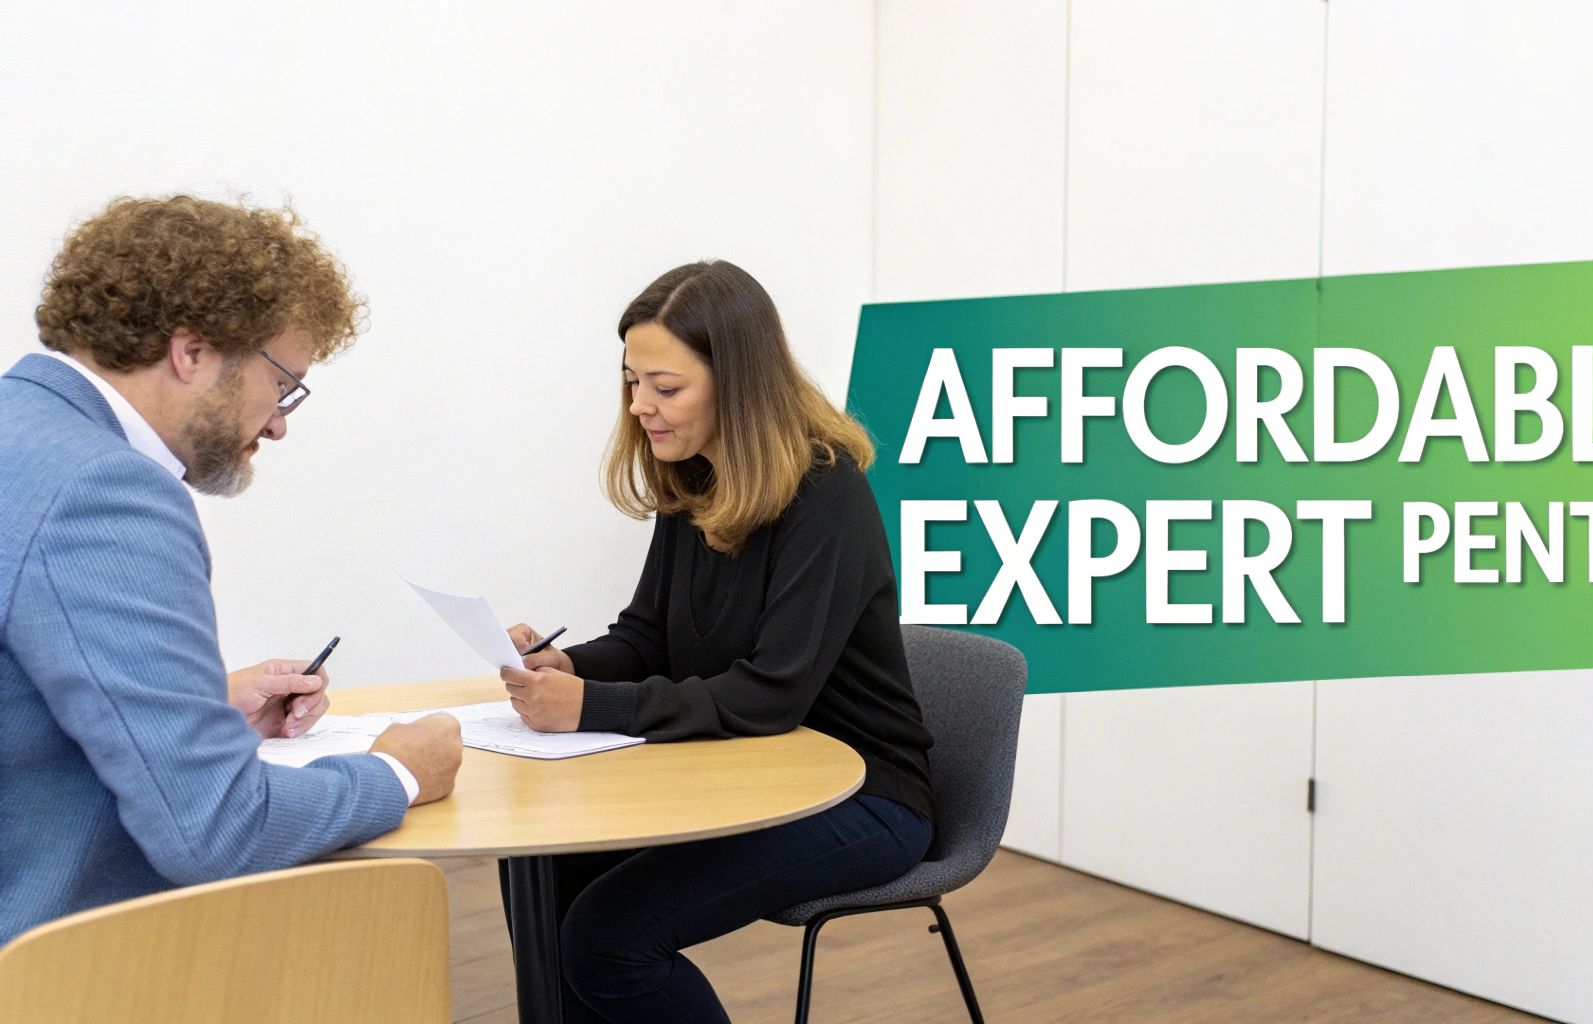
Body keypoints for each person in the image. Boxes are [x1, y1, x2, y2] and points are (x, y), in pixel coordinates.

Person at [0, 196, 463, 946]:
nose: (279, 421)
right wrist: (399, 774)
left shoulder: (20, 431)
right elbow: (212, 829)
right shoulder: (103, 489)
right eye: (281, 384)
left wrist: (200, 707)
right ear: (192, 352)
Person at [499, 259, 936, 1022]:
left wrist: (589, 705)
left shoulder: (825, 492)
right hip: (751, 770)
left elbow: (772, 692)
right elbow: (647, 636)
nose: (641, 407)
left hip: (861, 795)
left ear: (739, 381)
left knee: (608, 940)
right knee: (546, 864)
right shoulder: (695, 476)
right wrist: (569, 666)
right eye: (632, 382)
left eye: (666, 389)